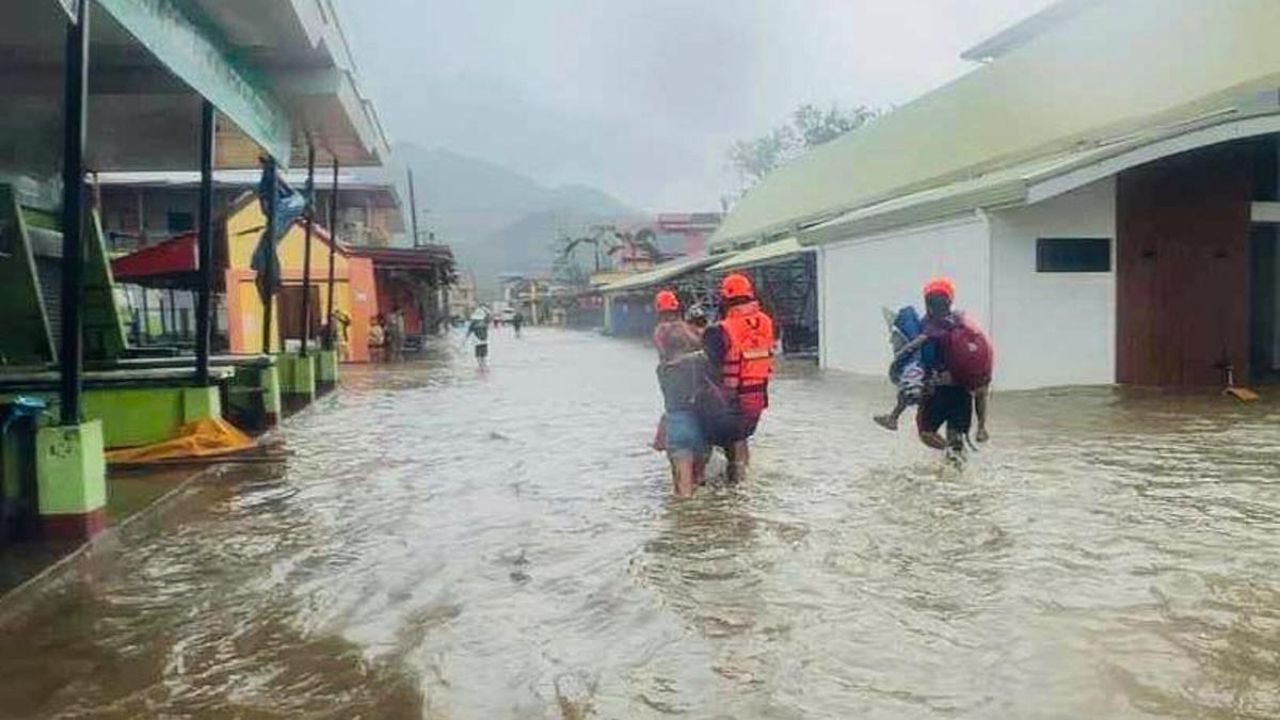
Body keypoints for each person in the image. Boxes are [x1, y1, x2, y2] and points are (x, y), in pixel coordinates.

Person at [701, 273, 774, 484]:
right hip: (759, 395)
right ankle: (744, 487)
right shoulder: (766, 322)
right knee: (741, 438)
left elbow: (709, 364)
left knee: (731, 439)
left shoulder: (721, 329)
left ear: (724, 299)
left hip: (733, 397)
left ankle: (732, 492)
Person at [908, 277, 992, 454]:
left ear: (927, 303)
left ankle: (948, 451)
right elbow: (982, 385)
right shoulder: (964, 324)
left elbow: (916, 361)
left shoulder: (925, 326)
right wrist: (981, 426)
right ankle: (957, 466)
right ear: (950, 300)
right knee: (956, 438)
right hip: (963, 393)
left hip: (936, 391)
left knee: (926, 433)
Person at [651, 289, 707, 497]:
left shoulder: (664, 370)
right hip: (702, 426)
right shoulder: (700, 361)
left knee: (683, 495)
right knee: (700, 483)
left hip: (678, 426)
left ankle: (684, 528)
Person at [874, 305, 927, 431]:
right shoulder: (918, 335)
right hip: (919, 370)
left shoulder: (913, 354)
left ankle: (897, 419)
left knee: (911, 393)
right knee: (908, 393)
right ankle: (895, 418)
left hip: (916, 370)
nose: (891, 341)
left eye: (893, 337)